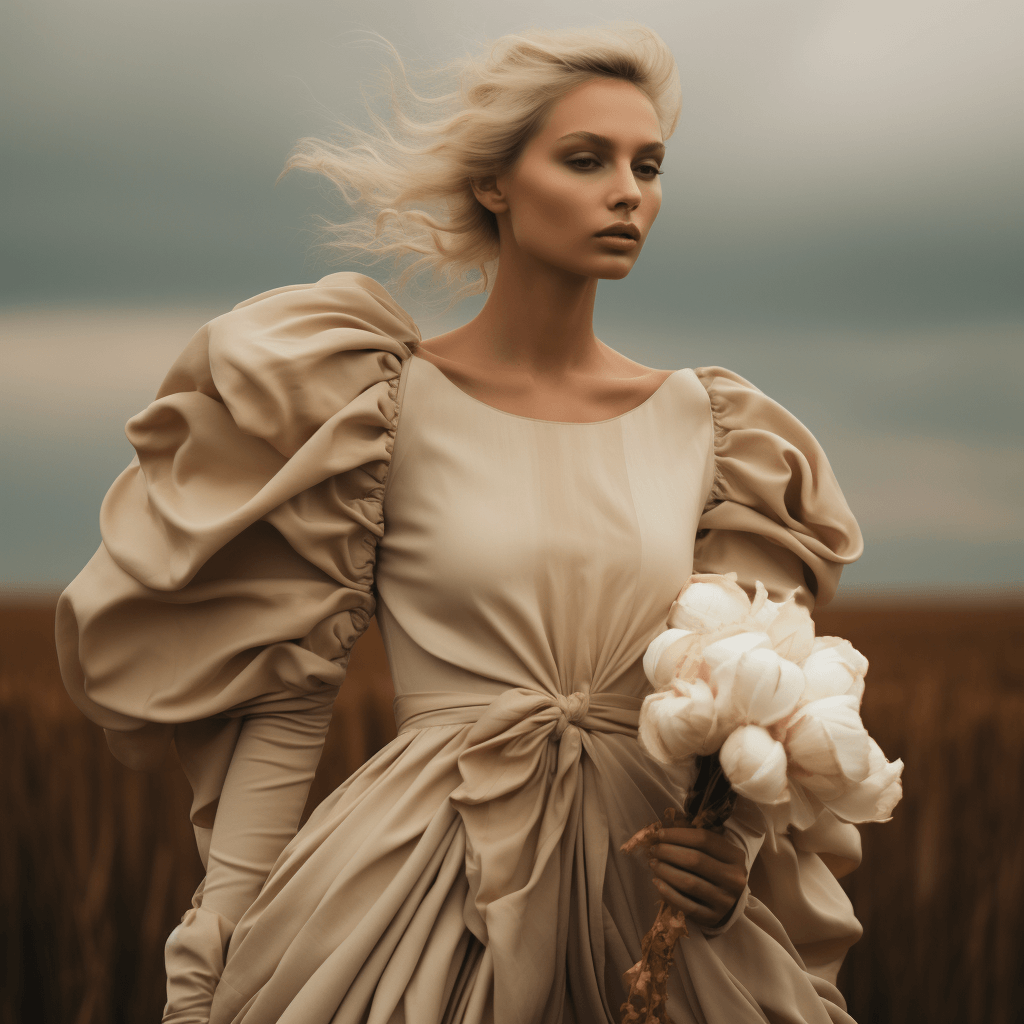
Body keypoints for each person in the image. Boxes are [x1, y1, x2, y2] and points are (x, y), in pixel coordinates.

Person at [56, 23, 866, 1024]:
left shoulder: (718, 430)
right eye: (586, 159)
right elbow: (288, 703)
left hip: (641, 892)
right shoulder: (376, 406)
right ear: (496, 183)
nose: (629, 191)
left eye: (647, 165)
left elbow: (749, 711)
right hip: (415, 896)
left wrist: (727, 861)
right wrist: (212, 948)